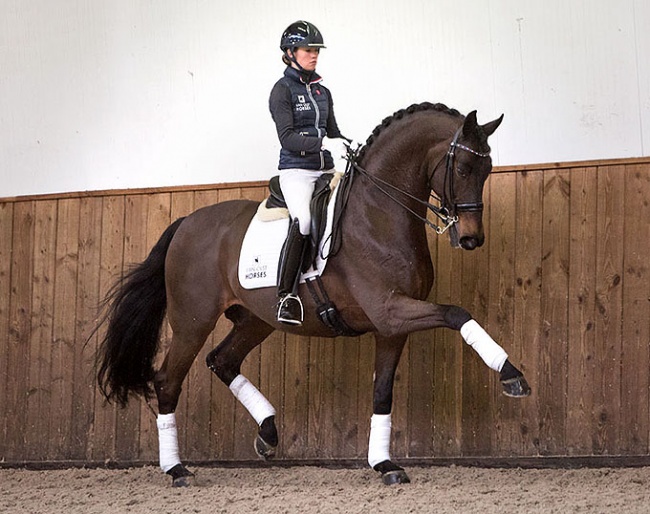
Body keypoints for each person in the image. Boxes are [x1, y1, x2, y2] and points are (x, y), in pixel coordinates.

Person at [269, 20, 347, 325]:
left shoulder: (322, 91)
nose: (314, 55)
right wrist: (322, 142)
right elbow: (287, 137)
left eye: (316, 50)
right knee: (303, 221)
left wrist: (346, 143)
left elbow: (333, 131)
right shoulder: (282, 90)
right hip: (296, 171)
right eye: (307, 50)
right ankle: (285, 296)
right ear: (290, 52)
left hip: (325, 169)